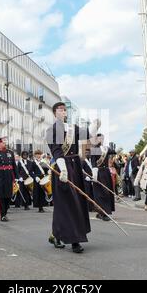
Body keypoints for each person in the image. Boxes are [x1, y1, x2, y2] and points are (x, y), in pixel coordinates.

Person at [45, 101, 100, 253]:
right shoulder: (51, 130)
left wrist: (94, 127)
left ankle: (60, 235)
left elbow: (87, 138)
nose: (64, 112)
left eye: (65, 110)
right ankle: (74, 240)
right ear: (55, 112)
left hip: (75, 167)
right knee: (65, 204)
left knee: (78, 202)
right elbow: (56, 151)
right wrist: (62, 168)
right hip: (62, 168)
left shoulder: (72, 128)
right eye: (61, 110)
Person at [91, 134, 116, 221]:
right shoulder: (95, 149)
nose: (101, 139)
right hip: (99, 172)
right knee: (101, 193)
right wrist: (94, 174)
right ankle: (103, 213)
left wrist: (111, 146)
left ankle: (102, 212)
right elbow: (93, 162)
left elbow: (113, 152)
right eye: (99, 138)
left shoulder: (105, 148)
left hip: (106, 173)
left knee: (107, 192)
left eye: (102, 138)